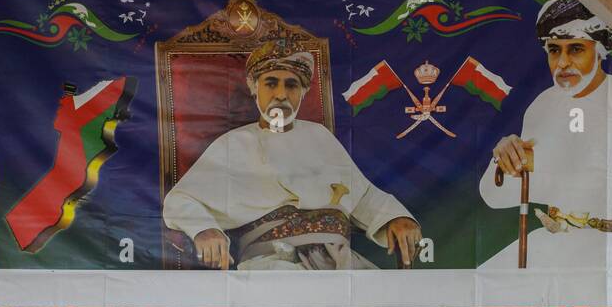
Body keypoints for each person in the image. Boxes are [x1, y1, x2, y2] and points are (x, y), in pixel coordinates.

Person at [163, 40, 422, 270]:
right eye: (271, 84)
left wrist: (395, 217)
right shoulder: (234, 144)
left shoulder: (319, 137)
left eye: (291, 85)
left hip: (341, 262)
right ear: (255, 89)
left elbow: (361, 193)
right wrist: (205, 230)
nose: (281, 95)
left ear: (303, 92)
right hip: (273, 264)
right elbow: (181, 200)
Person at [479, 0, 612, 272]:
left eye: (575, 49)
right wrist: (504, 160)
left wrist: (537, 169)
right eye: (554, 50)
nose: (563, 62)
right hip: (558, 243)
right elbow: (493, 196)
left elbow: (607, 194)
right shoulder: (543, 104)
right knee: (481, 286)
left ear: (599, 51)